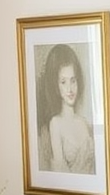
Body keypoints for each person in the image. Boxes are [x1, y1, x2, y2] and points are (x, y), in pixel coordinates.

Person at [41, 43, 96, 174]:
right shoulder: (55, 123)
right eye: (63, 82)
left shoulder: (84, 122)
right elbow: (61, 174)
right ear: (55, 85)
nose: (70, 89)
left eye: (73, 80)